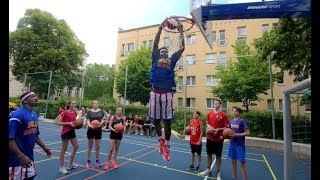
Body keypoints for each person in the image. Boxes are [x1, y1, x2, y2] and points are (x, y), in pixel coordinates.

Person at [148, 24, 185, 161]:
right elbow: (156, 44)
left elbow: (182, 48)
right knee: (156, 120)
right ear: (159, 53)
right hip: (155, 92)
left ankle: (168, 148)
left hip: (167, 94)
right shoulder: (155, 58)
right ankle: (161, 141)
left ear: (168, 53)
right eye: (161, 50)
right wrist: (159, 29)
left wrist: (181, 32)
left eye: (165, 50)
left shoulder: (172, 60)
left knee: (167, 122)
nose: (163, 51)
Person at [9, 91, 52, 179]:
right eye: (32, 97)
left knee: (31, 176)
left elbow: (35, 135)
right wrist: (21, 156)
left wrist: (44, 147)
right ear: (25, 101)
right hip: (16, 159)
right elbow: (10, 140)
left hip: (28, 156)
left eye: (35, 96)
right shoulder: (17, 115)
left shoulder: (34, 115)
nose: (36, 98)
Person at [200, 99, 229, 180]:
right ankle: (208, 169)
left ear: (220, 104)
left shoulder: (223, 115)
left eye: (217, 103)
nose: (215, 103)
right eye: (214, 102)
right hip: (210, 138)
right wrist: (210, 130)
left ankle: (218, 172)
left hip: (219, 139)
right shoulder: (210, 113)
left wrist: (218, 130)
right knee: (209, 154)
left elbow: (226, 127)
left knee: (218, 156)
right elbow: (207, 123)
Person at [57, 100, 80, 174]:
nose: (74, 104)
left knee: (76, 147)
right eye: (73, 103)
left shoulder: (75, 113)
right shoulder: (65, 112)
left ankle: (70, 164)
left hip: (72, 132)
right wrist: (68, 123)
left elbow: (75, 122)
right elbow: (58, 123)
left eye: (75, 103)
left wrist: (77, 124)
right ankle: (61, 167)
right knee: (64, 149)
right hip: (65, 132)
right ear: (69, 105)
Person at [227, 107, 250, 180]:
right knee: (233, 162)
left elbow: (248, 133)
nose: (234, 112)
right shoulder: (231, 121)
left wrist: (236, 135)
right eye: (233, 111)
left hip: (240, 145)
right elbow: (227, 131)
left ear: (239, 113)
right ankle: (235, 178)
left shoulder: (242, 121)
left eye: (236, 111)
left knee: (242, 163)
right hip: (232, 144)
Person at [85, 100, 105, 168]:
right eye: (94, 103)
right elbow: (87, 120)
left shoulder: (101, 111)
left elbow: (103, 119)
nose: (96, 104)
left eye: (97, 103)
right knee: (90, 146)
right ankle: (88, 161)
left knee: (98, 146)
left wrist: (100, 124)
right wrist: (90, 125)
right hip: (91, 130)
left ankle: (97, 161)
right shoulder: (89, 112)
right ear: (92, 104)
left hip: (98, 130)